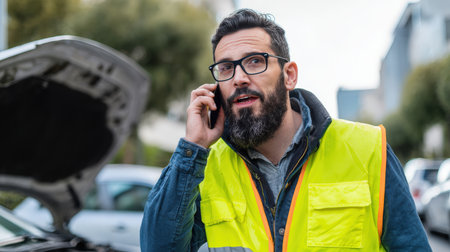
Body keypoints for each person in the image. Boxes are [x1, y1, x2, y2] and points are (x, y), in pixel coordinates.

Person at [140, 8, 431, 252]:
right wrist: (193, 147)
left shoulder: (368, 149)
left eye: (254, 61)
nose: (239, 77)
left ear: (289, 75)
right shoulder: (206, 167)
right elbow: (158, 247)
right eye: (226, 68)